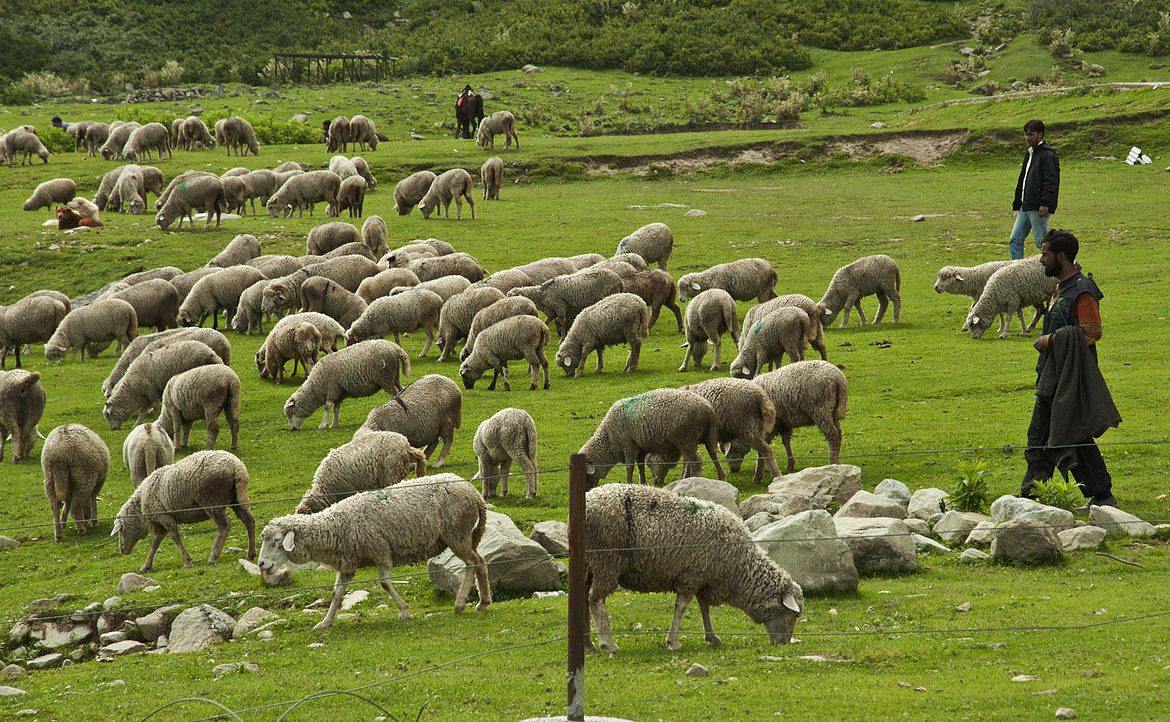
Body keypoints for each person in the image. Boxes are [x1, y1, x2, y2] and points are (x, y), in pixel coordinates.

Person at [1022, 229, 1120, 508]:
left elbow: (1091, 332)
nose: (1041, 260)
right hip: (1052, 375)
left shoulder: (1082, 292)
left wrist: (1053, 339)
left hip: (1070, 377)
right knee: (1053, 437)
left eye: (1045, 254)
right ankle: (1097, 496)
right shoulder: (1059, 288)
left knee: (1060, 436)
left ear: (1061, 256)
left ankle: (1032, 499)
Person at [1009, 119, 1060, 260]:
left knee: (1042, 243)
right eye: (1026, 134)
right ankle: (1016, 273)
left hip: (1037, 205)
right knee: (1015, 240)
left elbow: (1051, 181)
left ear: (1040, 134)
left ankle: (1053, 270)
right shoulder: (1030, 153)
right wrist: (1018, 201)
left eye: (1031, 134)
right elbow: (1023, 178)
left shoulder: (1047, 155)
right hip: (1026, 205)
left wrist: (1045, 203)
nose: (1028, 138)